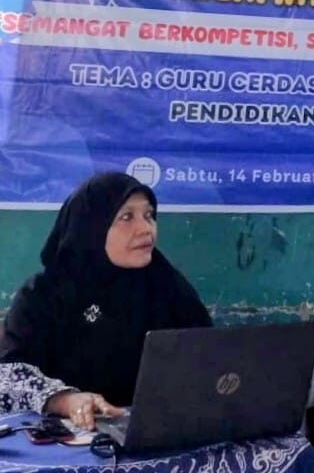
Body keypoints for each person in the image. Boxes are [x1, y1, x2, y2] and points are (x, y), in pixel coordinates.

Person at [0, 171, 211, 426]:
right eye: (126, 217)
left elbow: (210, 355)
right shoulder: (43, 295)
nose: (146, 228)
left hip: (156, 430)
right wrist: (63, 400)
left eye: (149, 215)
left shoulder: (165, 285)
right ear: (91, 227)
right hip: (67, 437)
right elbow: (8, 376)